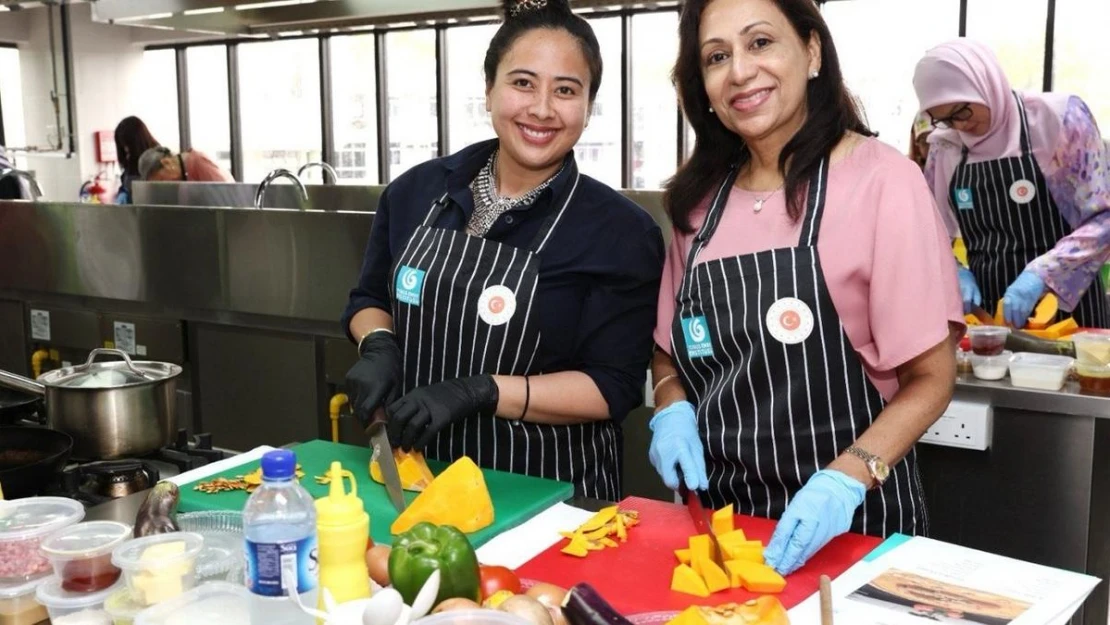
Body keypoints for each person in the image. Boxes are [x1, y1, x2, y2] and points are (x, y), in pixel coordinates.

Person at [649, 0, 963, 575]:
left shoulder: (884, 182)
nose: (740, 70)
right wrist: (669, 406)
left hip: (855, 524)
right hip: (720, 532)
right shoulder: (697, 204)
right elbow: (668, 350)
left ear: (812, 51)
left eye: (760, 42)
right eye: (717, 56)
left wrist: (845, 479)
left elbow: (933, 377)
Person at [340, 0, 663, 500]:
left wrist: (482, 390)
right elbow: (368, 299)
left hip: (548, 493)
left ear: (588, 106)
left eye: (566, 90)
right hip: (413, 477)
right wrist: (379, 344)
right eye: (522, 82)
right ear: (489, 89)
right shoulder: (415, 191)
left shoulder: (621, 232)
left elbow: (613, 386)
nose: (541, 108)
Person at [914, 39, 1110, 328]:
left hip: (1071, 313)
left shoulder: (1058, 119)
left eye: (962, 111)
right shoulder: (945, 148)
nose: (959, 126)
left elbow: (1103, 219)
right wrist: (953, 271)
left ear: (985, 83)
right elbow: (927, 231)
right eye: (944, 119)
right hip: (992, 320)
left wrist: (1041, 275)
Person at [114, 116, 161, 204]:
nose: (126, 149)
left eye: (128, 145)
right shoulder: (131, 160)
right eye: (123, 146)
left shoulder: (158, 160)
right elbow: (126, 184)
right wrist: (122, 192)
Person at [137, 146, 234, 183]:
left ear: (166, 162)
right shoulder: (184, 176)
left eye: (162, 179)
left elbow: (225, 195)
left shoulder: (198, 162)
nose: (165, 185)